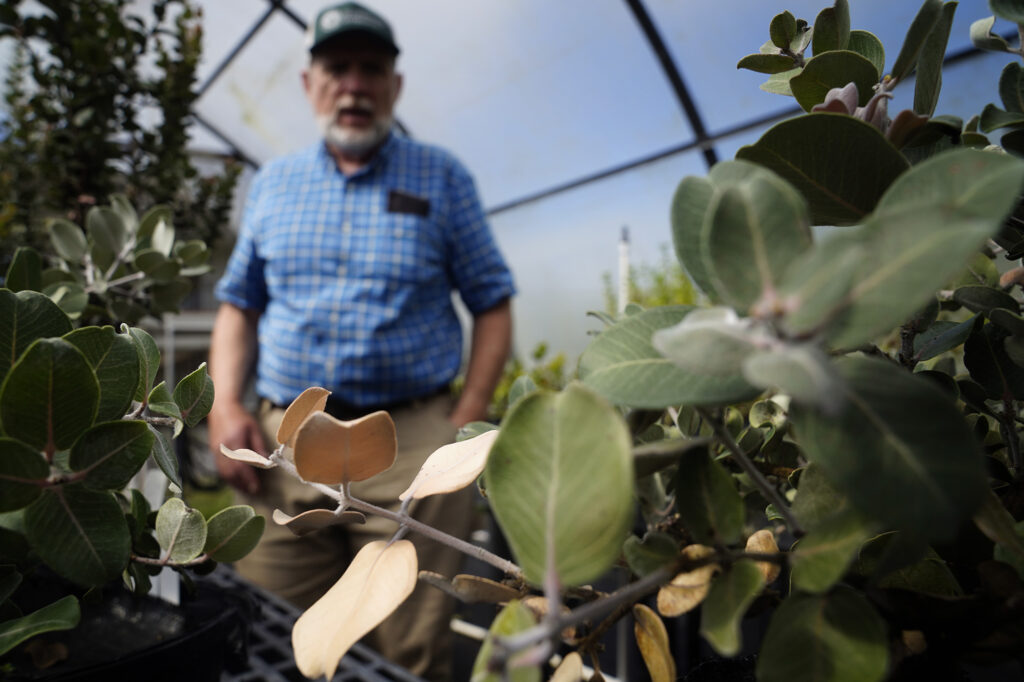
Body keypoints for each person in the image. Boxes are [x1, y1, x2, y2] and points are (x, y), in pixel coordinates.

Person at [206, 3, 515, 679]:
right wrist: (225, 402)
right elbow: (239, 303)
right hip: (285, 442)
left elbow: (492, 302)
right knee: (260, 624)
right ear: (309, 83)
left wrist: (464, 418)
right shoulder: (275, 184)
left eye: (371, 69)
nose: (354, 85)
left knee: (408, 647)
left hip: (412, 451)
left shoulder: (442, 177)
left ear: (394, 86)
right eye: (337, 68)